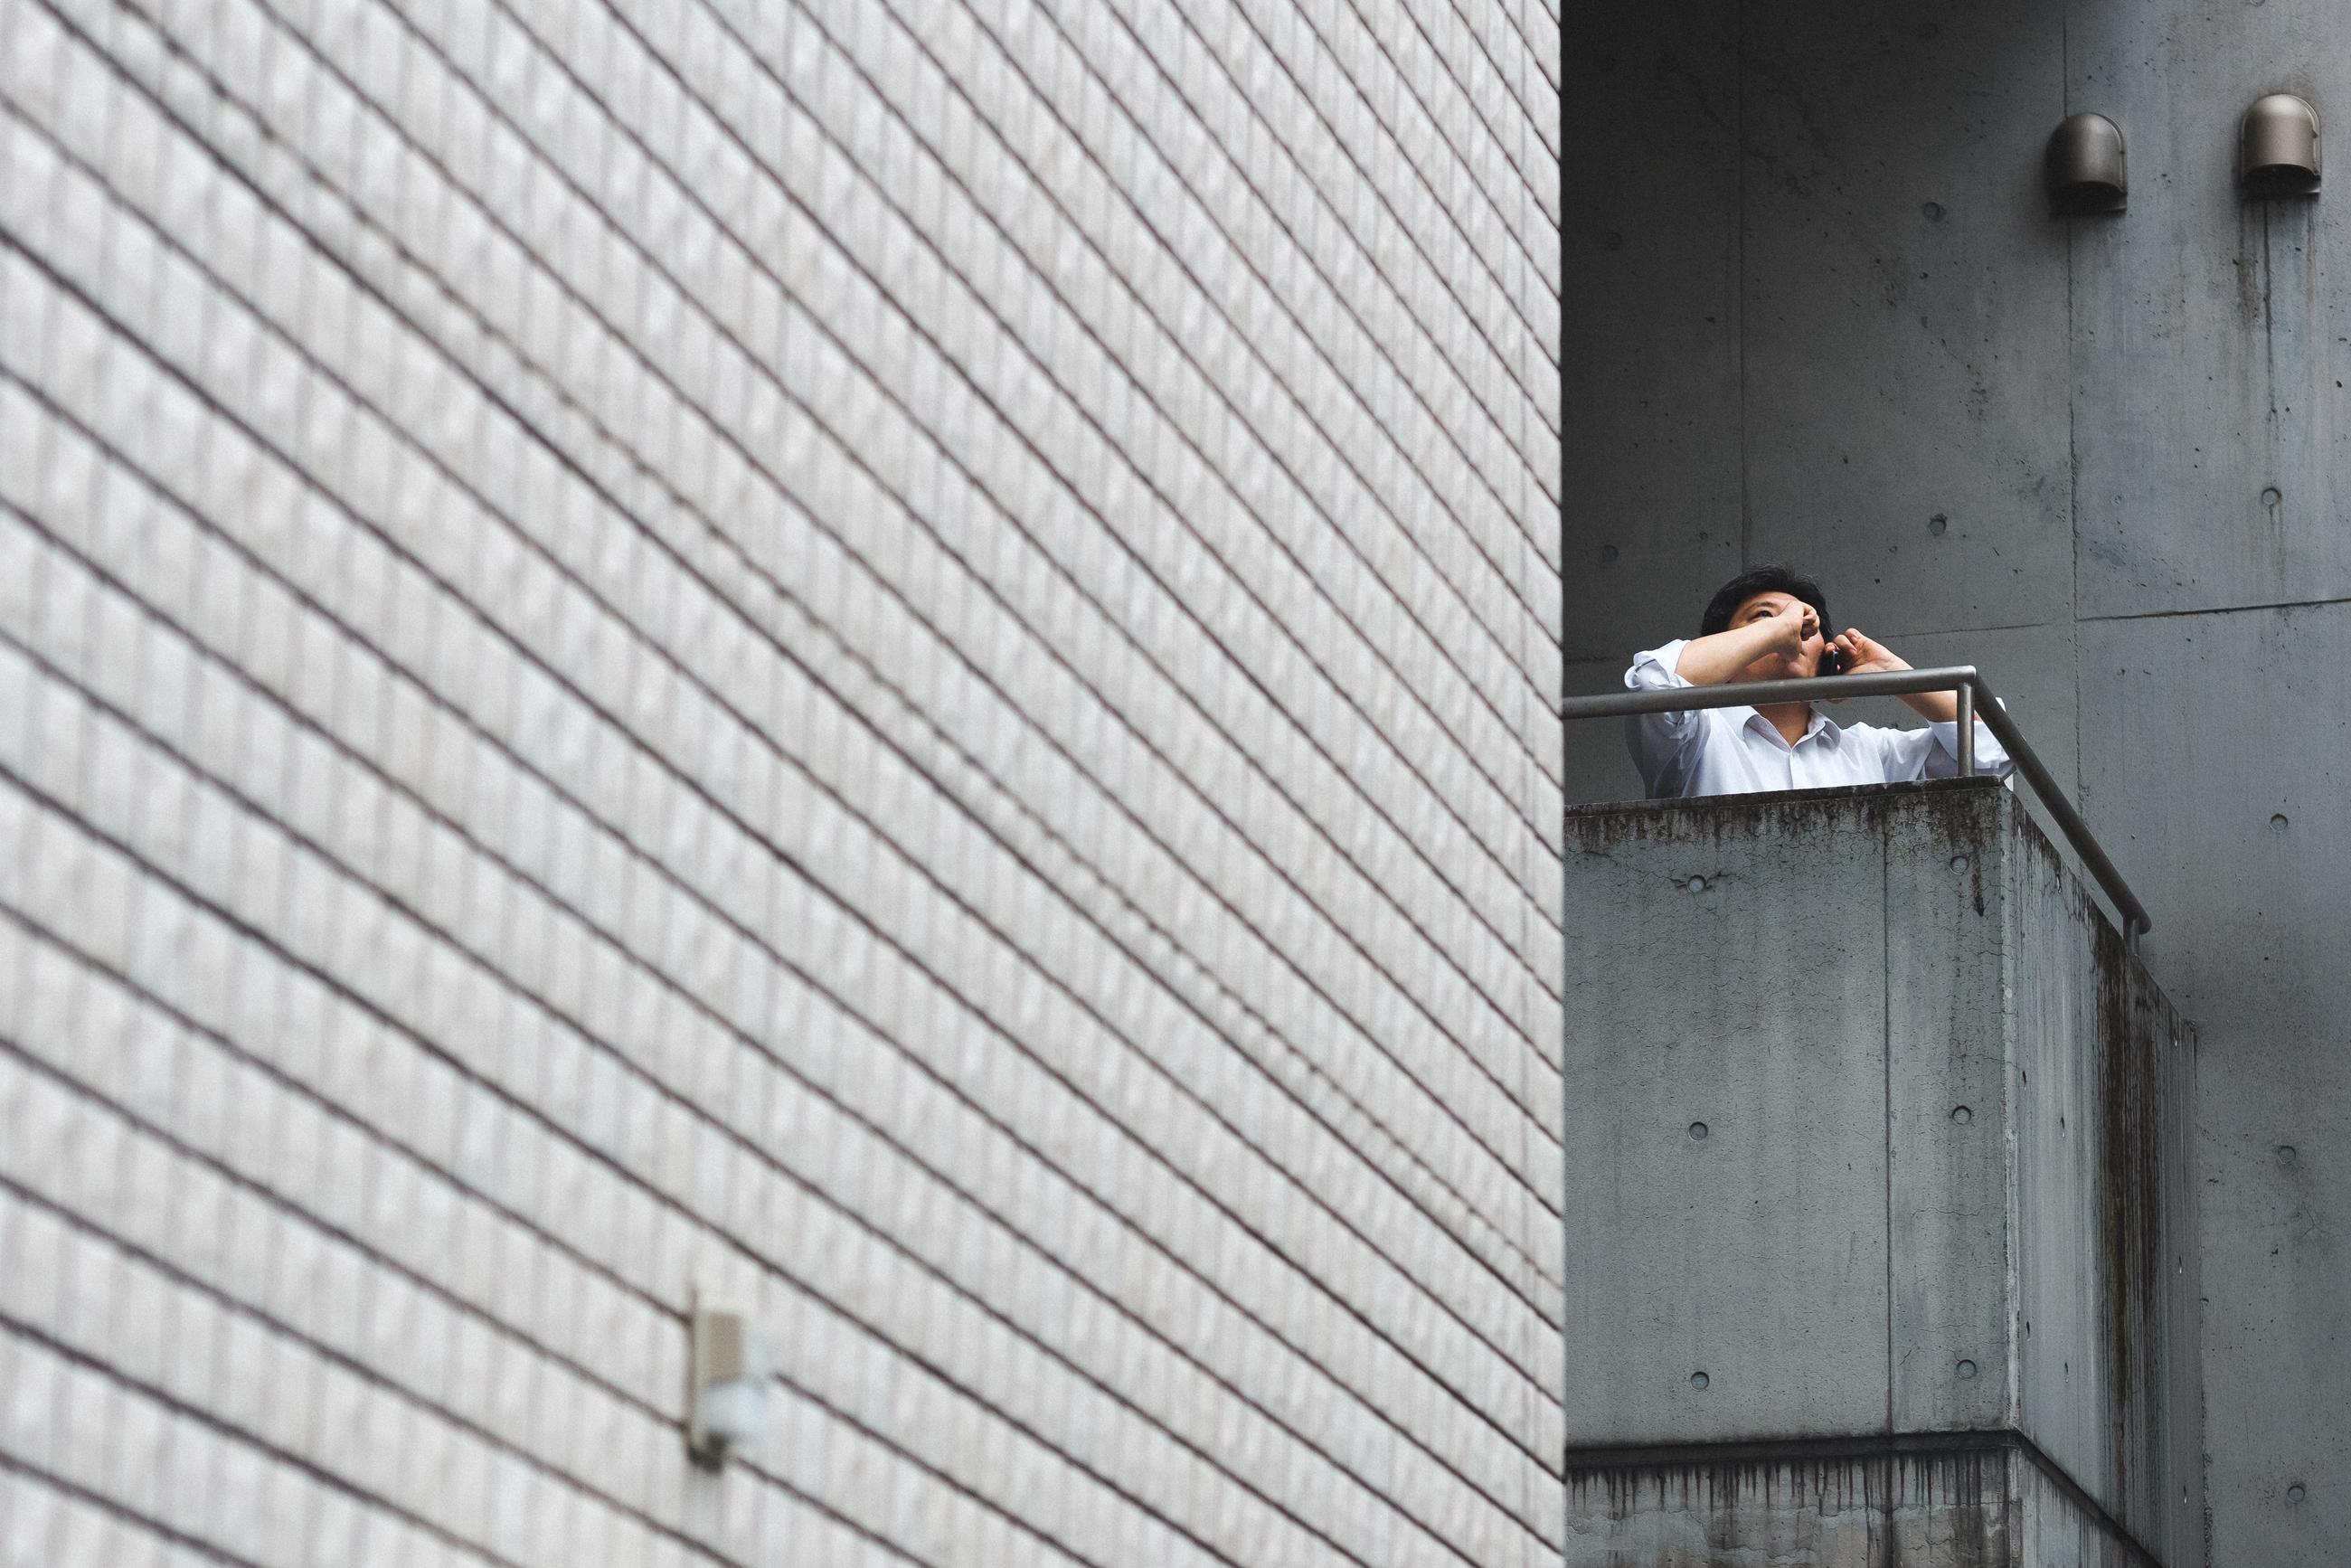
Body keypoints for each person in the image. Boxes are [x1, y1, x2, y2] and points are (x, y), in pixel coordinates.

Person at [1624, 566, 2015, 799]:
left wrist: (1893, 672)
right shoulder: (1696, 737)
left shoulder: (1868, 751)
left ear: (1825, 655)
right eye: (1761, 616)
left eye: (1804, 622)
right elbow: (1654, 684)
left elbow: (1993, 756)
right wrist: (1778, 628)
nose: (1794, 627)